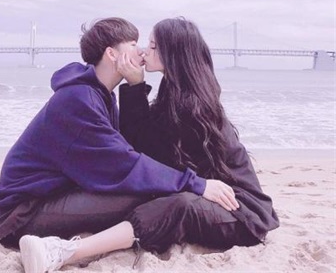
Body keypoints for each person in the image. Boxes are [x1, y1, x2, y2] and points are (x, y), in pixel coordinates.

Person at [17, 17, 279, 273]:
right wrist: (135, 85)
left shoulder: (193, 105)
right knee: (164, 193)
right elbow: (140, 150)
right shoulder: (169, 94)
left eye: (152, 46)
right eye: (140, 44)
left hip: (240, 210)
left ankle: (65, 252)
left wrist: (195, 185)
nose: (144, 50)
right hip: (206, 196)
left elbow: (143, 157)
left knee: (175, 202)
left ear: (173, 53)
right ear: (111, 54)